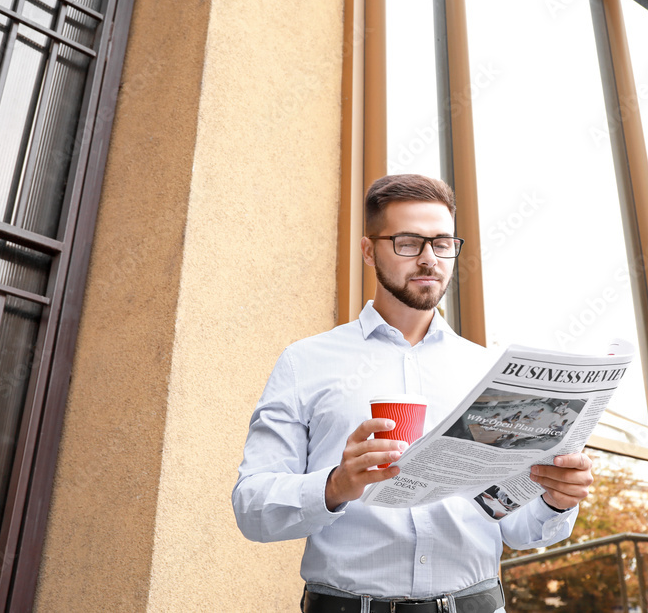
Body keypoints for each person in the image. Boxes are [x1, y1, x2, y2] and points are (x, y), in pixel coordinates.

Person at [232, 174, 594, 613]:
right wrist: (336, 485)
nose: (429, 259)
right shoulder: (305, 361)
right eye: (408, 242)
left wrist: (556, 501)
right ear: (369, 251)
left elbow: (520, 531)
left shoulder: (487, 372)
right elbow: (252, 507)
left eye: (442, 243)